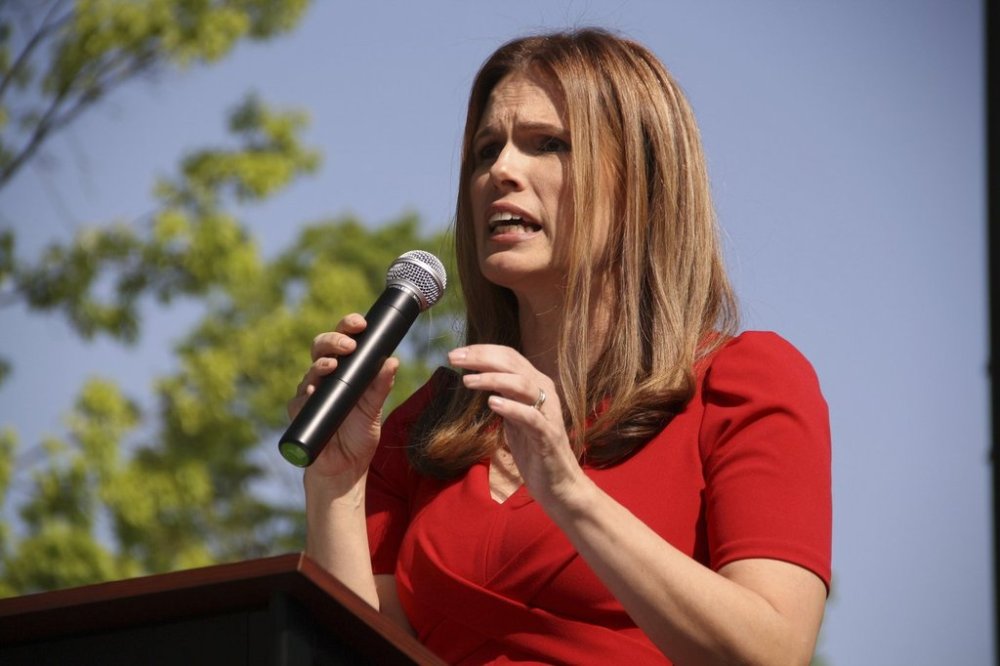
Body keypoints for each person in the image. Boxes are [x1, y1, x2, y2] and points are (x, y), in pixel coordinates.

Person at [289, 28, 831, 665]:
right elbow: (360, 654)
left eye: (548, 145)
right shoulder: (419, 428)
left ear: (641, 183)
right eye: (486, 150)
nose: (501, 172)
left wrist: (567, 492)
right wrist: (336, 486)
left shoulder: (743, 384)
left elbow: (771, 653)